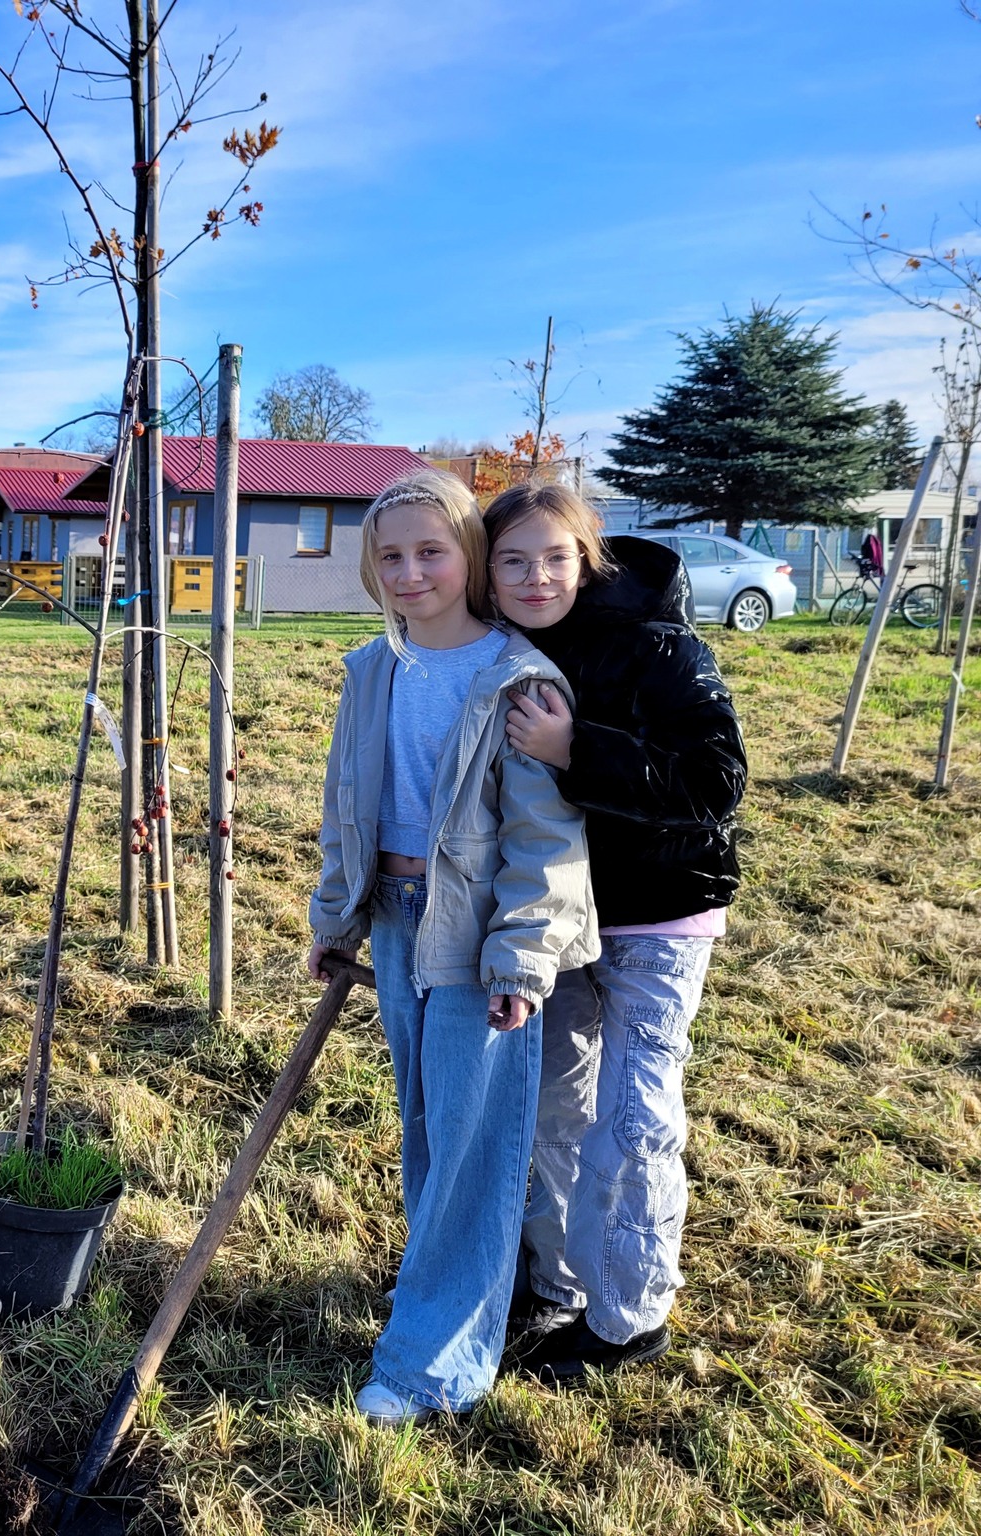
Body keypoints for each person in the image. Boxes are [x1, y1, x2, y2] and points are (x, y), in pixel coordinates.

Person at [306, 469, 598, 1423]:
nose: (410, 571)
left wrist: (522, 955)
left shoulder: (514, 677)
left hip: (478, 935)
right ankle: (437, 1302)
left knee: (476, 1140)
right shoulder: (374, 671)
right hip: (394, 918)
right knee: (428, 1126)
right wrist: (335, 916)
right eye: (390, 555)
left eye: (431, 550)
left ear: (469, 554)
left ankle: (435, 1369)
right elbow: (347, 808)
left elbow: (543, 839)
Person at [481, 483, 746, 1381]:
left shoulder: (662, 646)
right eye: (512, 560)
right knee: (555, 1106)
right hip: (558, 919)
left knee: (632, 1116)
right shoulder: (501, 648)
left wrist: (575, 750)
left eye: (555, 557)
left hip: (658, 917)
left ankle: (631, 1315)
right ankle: (552, 1282)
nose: (535, 576)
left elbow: (715, 781)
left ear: (587, 558)